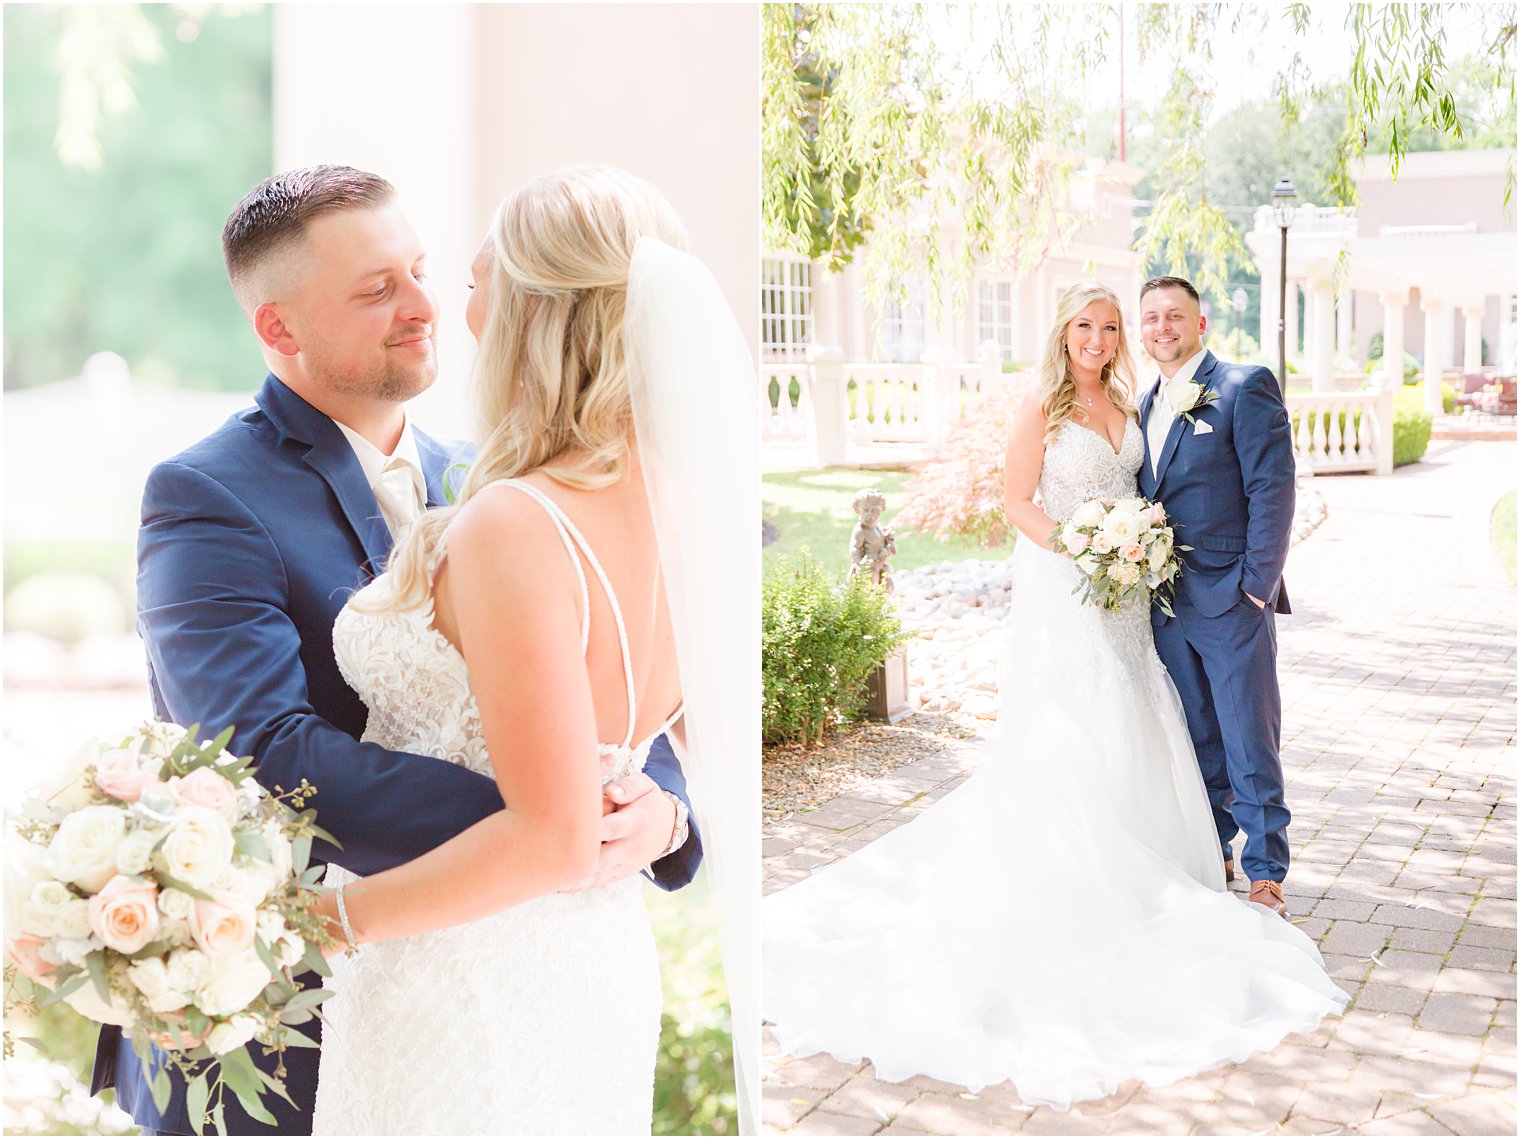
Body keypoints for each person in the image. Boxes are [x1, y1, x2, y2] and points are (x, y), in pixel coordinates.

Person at [98, 165, 702, 1136]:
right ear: (280, 328)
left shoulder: (500, 480)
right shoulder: (207, 493)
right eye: (376, 288)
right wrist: (553, 823)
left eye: (421, 271)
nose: (425, 305)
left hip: (526, 991)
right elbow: (265, 751)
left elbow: (612, 679)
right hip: (294, 1027)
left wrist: (659, 807)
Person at [761, 282, 1346, 1111]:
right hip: (1077, 590)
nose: (1105, 337)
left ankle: (1257, 868)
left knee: (1210, 726)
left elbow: (1225, 491)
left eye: (1117, 326)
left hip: (1150, 595)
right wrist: (1081, 545)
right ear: (1064, 330)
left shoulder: (1145, 398)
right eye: (1091, 324)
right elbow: (1016, 501)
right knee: (1099, 730)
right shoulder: (1046, 403)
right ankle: (1172, 863)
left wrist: (1241, 583)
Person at [302, 165, 756, 1134]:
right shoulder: (684, 503)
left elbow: (549, 833)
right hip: (591, 961)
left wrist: (329, 924)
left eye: (473, 283)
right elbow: (656, 749)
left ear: (536, 313)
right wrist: (665, 811)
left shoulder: (519, 521)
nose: (453, 312)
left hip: (457, 978)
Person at [1136, 275, 1296, 915]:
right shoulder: (1143, 404)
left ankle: (1266, 870)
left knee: (1248, 737)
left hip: (1231, 600)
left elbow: (1273, 493)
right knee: (1198, 733)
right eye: (1150, 318)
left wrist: (1255, 590)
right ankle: (1215, 853)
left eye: (1175, 316)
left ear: (1200, 325)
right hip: (1166, 604)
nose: (1162, 328)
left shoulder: (1242, 386)